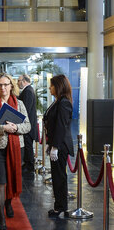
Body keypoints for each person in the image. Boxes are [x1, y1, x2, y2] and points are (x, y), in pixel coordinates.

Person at [0, 73, 30, 230]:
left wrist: (16, 128)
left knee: (11, 180)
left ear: (11, 85)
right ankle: (1, 218)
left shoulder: (19, 103)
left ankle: (9, 204)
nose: (2, 88)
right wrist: (3, 128)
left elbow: (28, 126)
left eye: (5, 84)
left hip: (17, 148)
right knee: (0, 183)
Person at [43, 74, 74, 218]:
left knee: (59, 176)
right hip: (56, 144)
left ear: (59, 86)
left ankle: (60, 207)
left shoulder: (64, 103)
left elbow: (61, 126)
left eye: (52, 85)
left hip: (61, 146)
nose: (50, 88)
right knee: (56, 176)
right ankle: (59, 206)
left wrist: (55, 146)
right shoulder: (58, 101)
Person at [18, 74, 38, 172]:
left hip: (28, 124)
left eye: (19, 80)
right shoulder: (28, 90)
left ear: (24, 81)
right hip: (28, 123)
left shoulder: (28, 91)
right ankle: (28, 164)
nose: (18, 83)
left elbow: (26, 108)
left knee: (28, 146)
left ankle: (29, 165)